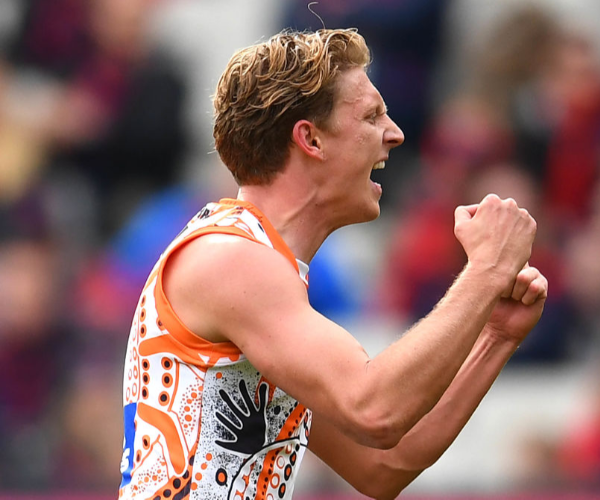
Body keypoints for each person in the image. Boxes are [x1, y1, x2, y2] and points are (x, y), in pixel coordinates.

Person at [118, 29, 547, 500]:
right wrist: (485, 270)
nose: (395, 133)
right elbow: (375, 409)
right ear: (311, 139)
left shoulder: (260, 272)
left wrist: (494, 336)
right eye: (371, 116)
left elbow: (384, 465)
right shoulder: (232, 258)